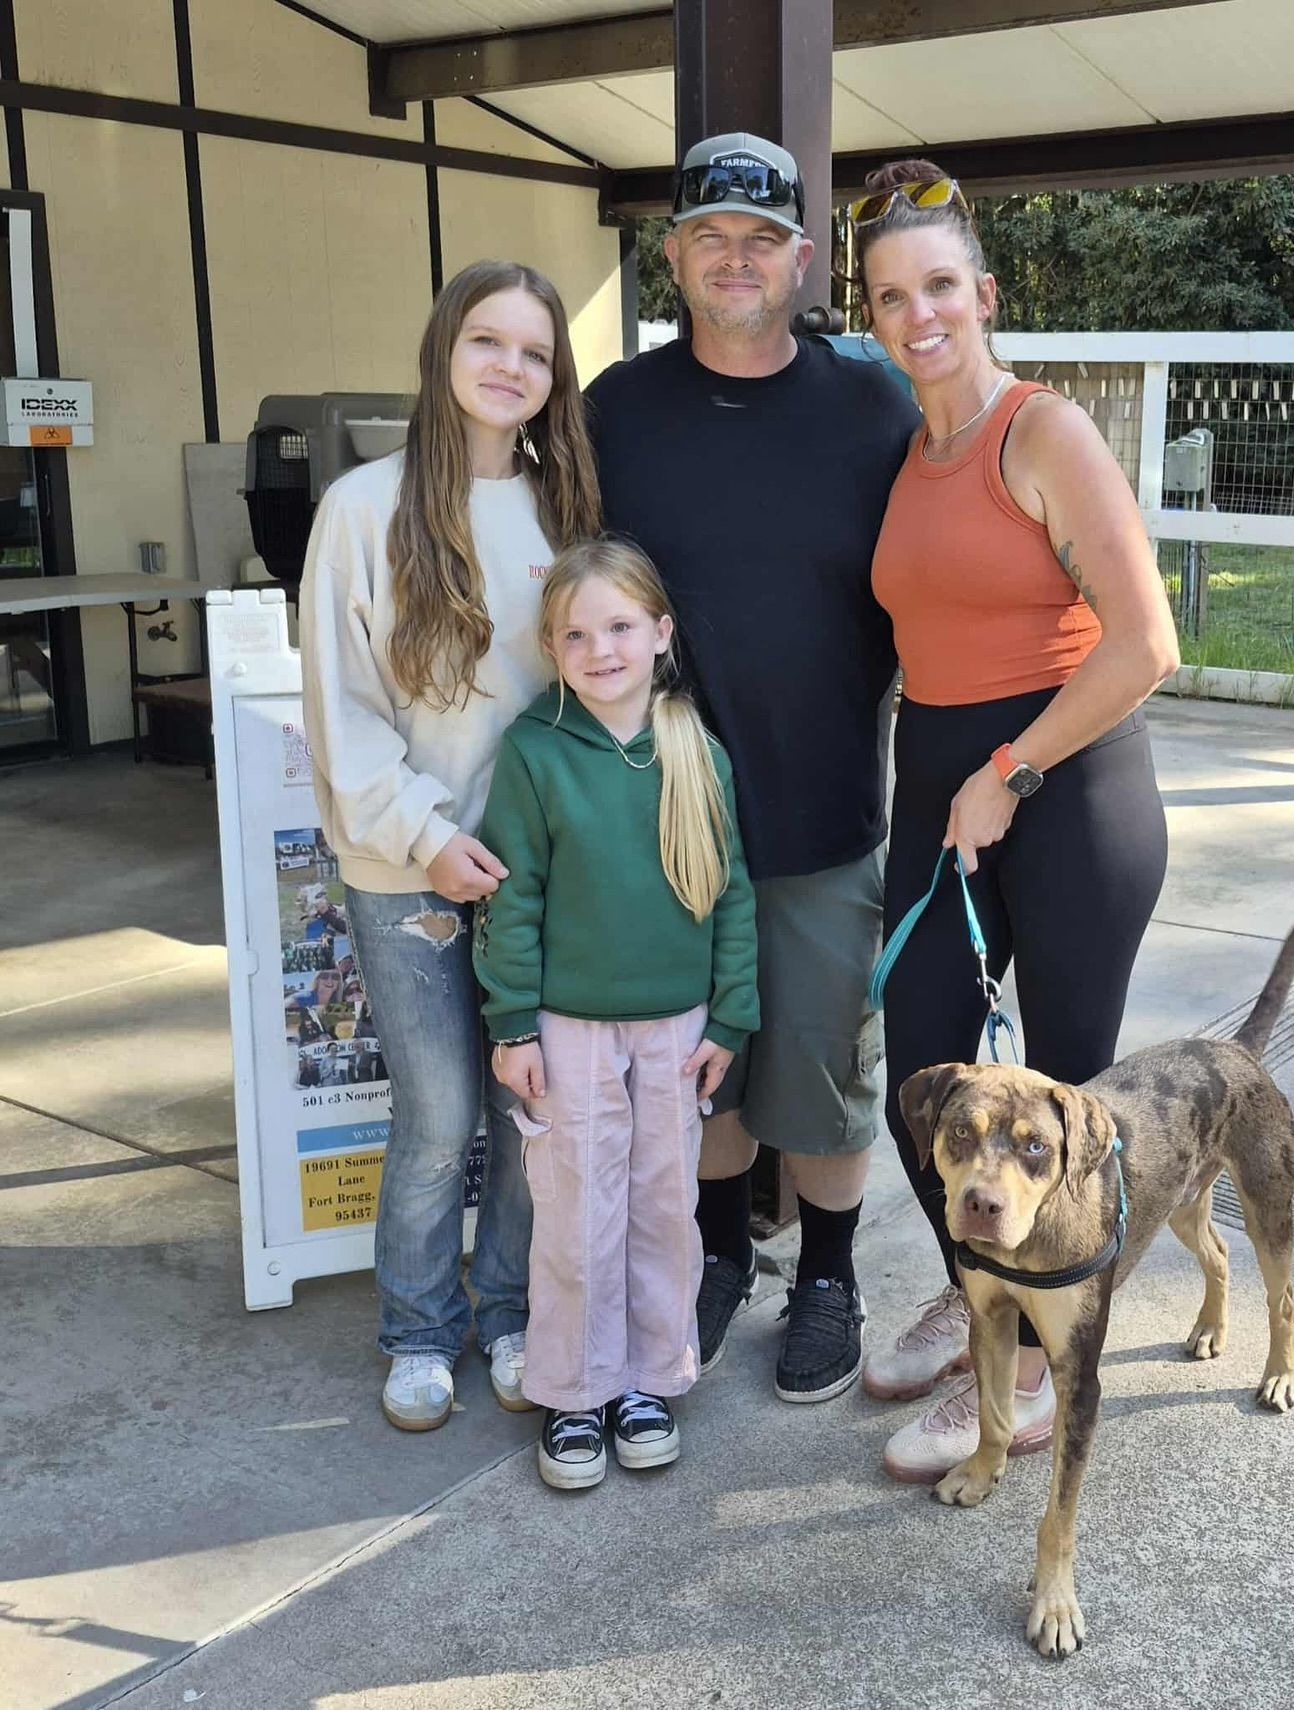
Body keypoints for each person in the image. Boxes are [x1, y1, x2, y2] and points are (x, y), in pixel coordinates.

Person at [850, 161, 1180, 1479]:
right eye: (891, 295)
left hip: (1072, 783)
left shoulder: (1042, 433)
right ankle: (977, 1280)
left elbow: (1145, 643)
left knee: (1065, 1107)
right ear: (872, 317)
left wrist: (1013, 773)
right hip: (944, 782)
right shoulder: (908, 447)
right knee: (927, 1088)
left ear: (982, 295)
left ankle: (1038, 1360)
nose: (918, 313)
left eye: (940, 286)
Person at [585, 133, 918, 1404]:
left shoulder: (871, 401)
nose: (737, 258)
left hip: (827, 803)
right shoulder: (618, 410)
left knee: (824, 1067)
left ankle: (827, 1277)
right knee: (700, 1065)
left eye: (762, 238)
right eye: (711, 236)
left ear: (801, 259)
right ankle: (721, 1256)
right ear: (674, 254)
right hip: (668, 816)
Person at [299, 259, 601, 1432]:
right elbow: (344, 709)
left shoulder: (565, 512)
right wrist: (426, 839)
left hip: (539, 876)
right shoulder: (363, 510)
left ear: (551, 378)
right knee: (437, 1118)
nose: (509, 368)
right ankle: (420, 1330)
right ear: (443, 350)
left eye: (534, 353)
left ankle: (510, 1312)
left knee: (530, 1112)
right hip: (407, 873)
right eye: (488, 341)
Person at [475, 539, 759, 1489]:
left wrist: (730, 1019)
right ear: (551, 647)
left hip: (677, 1031)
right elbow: (510, 900)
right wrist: (511, 1026)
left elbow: (730, 893)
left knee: (662, 1208)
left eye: (621, 627)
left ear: (661, 634)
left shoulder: (695, 750)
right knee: (575, 1212)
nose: (601, 649)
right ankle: (572, 1392)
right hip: (567, 1030)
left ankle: (646, 1379)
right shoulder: (532, 751)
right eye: (577, 633)